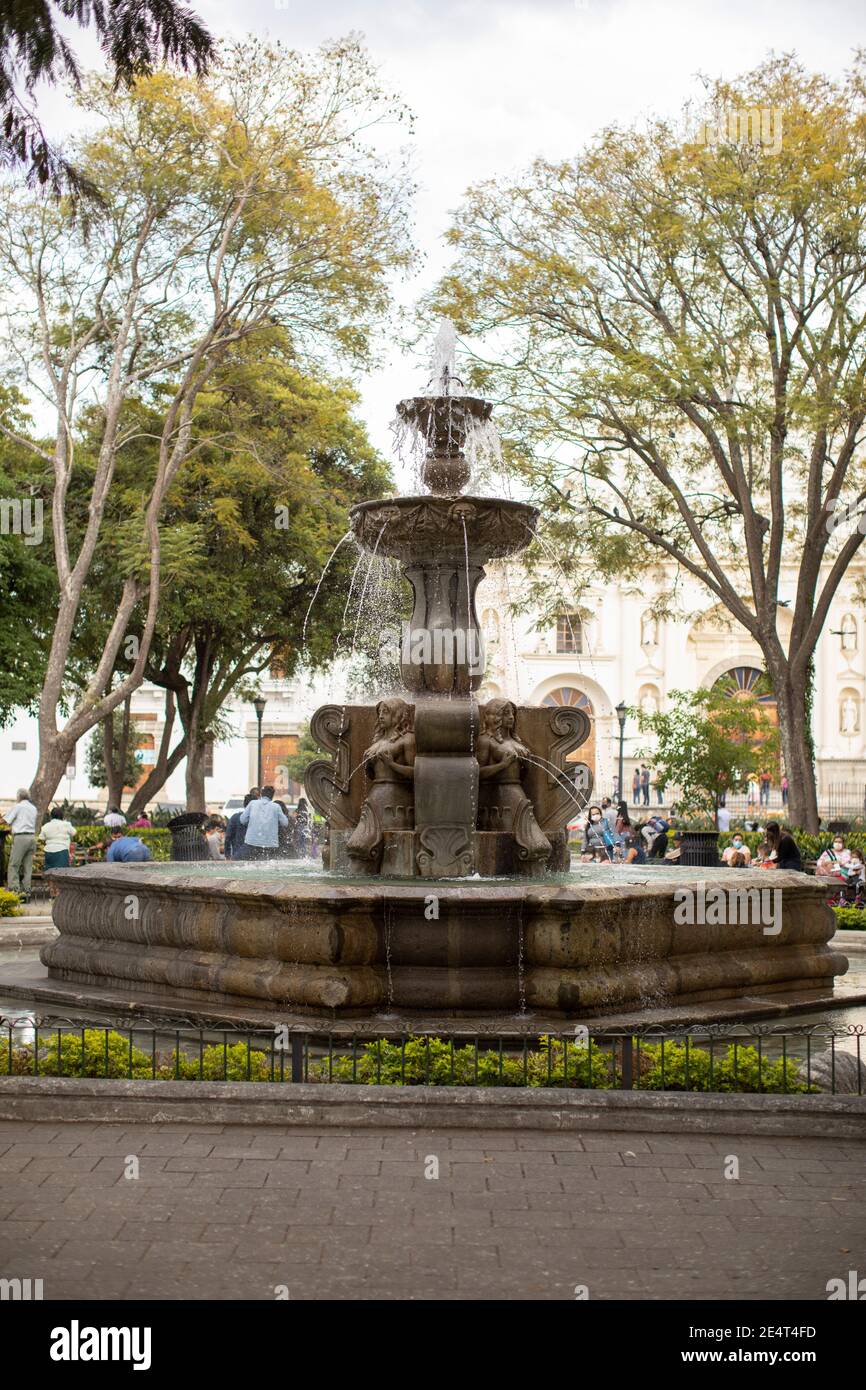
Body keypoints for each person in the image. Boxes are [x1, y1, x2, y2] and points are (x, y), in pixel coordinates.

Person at [5, 788, 38, 900]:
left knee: (14, 865)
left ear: (19, 796)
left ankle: (15, 892)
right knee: (27, 867)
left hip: (21, 837)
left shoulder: (18, 807)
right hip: (32, 837)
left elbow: (6, 820)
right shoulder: (33, 808)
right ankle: (26, 893)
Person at [239, 784, 288, 859]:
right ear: (272, 796)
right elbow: (285, 823)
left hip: (252, 842)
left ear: (261, 794)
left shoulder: (252, 803)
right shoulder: (276, 807)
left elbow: (242, 820)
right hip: (270, 844)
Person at [225, 790, 258, 860]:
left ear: (244, 804)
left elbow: (228, 837)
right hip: (255, 856)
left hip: (237, 855)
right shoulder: (260, 819)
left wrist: (227, 855)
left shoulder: (235, 817)